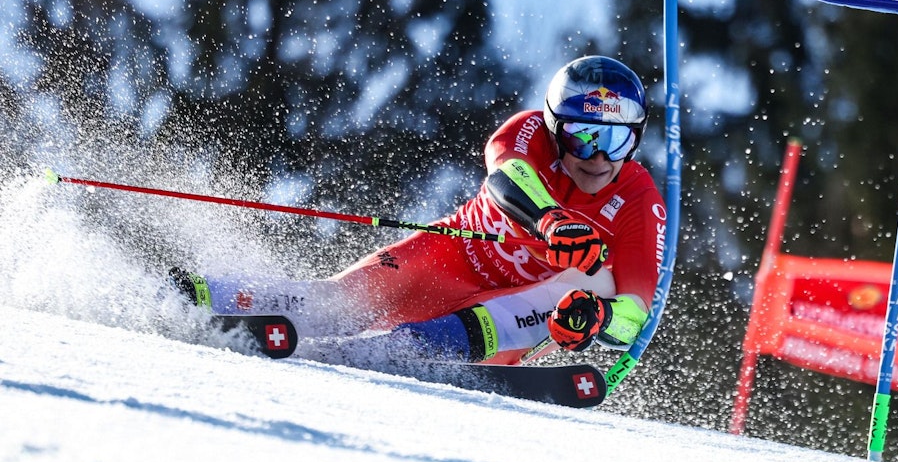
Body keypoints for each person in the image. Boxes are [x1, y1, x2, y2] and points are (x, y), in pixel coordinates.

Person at [171, 55, 666, 366]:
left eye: (617, 141)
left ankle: (382, 353)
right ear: (556, 129)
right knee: (340, 302)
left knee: (598, 278)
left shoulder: (640, 201)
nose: (599, 157)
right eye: (583, 137)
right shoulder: (529, 130)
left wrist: (596, 318)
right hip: (452, 257)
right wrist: (550, 221)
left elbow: (635, 313)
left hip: (508, 314)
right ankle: (195, 296)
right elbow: (506, 177)